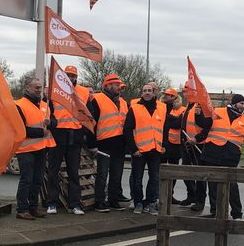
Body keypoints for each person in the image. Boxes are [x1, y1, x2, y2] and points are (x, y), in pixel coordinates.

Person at [201, 93, 244, 219]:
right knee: (212, 185)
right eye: (241, 103)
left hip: (230, 157)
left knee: (232, 186)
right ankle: (215, 211)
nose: (243, 106)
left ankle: (237, 213)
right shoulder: (217, 112)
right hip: (212, 153)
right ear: (234, 103)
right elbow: (204, 124)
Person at [46, 66, 88, 215]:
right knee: (53, 172)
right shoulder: (53, 91)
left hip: (75, 136)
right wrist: (51, 123)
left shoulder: (84, 92)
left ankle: (74, 204)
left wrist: (84, 134)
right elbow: (47, 111)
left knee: (74, 173)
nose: (71, 78)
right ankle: (52, 203)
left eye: (73, 76)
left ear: (76, 77)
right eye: (68, 75)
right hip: (58, 135)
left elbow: (89, 115)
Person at [14, 77, 56, 220]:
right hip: (26, 150)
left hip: (41, 148)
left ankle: (33, 207)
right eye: (36, 87)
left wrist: (50, 123)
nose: (39, 89)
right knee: (26, 180)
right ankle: (22, 209)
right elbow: (20, 130)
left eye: (40, 87)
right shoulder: (19, 105)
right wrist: (41, 132)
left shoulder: (45, 105)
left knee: (37, 180)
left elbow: (55, 123)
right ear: (27, 88)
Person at [87, 74, 129, 212]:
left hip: (119, 144)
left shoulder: (123, 102)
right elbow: (91, 123)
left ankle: (113, 200)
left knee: (117, 174)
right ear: (108, 86)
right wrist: (92, 144)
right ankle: (99, 201)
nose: (119, 87)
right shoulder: (96, 100)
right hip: (104, 143)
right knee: (102, 174)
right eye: (117, 85)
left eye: (119, 85)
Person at [124, 84, 167, 215]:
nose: (147, 93)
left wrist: (163, 145)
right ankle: (138, 203)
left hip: (155, 150)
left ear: (154, 93)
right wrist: (133, 148)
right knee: (137, 178)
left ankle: (150, 203)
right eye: (144, 91)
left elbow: (164, 128)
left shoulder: (161, 108)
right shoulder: (135, 108)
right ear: (141, 93)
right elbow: (127, 130)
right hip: (140, 150)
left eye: (149, 91)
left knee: (154, 178)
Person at [163, 88, 195, 205]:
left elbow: (178, 124)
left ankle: (169, 195)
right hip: (163, 142)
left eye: (170, 95)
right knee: (160, 171)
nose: (167, 97)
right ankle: (162, 196)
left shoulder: (182, 109)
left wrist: (169, 118)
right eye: (166, 95)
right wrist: (171, 119)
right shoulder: (160, 107)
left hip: (175, 145)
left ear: (175, 97)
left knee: (173, 171)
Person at [181, 103, 212, 212]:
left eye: (186, 89)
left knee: (200, 175)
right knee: (186, 172)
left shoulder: (200, 105)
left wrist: (197, 138)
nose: (185, 91)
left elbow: (207, 126)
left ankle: (200, 201)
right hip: (187, 144)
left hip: (199, 145)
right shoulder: (188, 106)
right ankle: (191, 195)